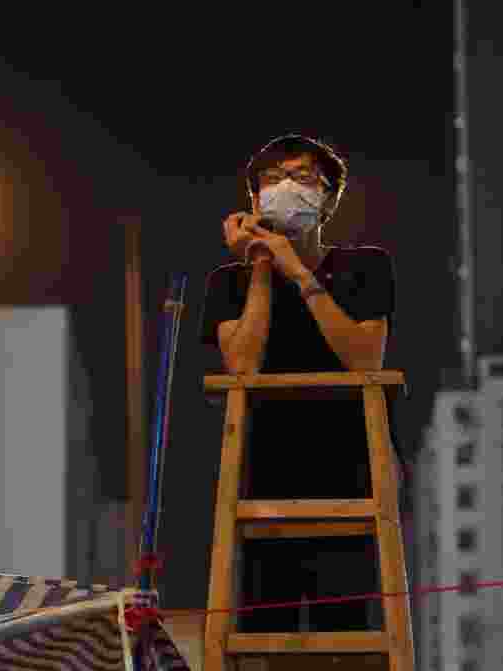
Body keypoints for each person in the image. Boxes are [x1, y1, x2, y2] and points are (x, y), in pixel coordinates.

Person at [199, 135, 405, 634]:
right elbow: (243, 365)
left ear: (329, 198)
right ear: (253, 202)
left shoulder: (365, 266)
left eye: (302, 177)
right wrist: (263, 265)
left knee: (348, 635)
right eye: (271, 180)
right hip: (261, 480)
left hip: (352, 477)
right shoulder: (229, 282)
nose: (286, 187)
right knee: (264, 641)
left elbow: (363, 358)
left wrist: (297, 268)